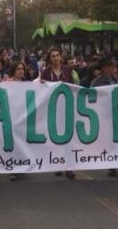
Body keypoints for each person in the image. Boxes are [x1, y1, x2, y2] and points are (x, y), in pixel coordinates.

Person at [40, 48, 76, 180]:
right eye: (53, 56)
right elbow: (41, 91)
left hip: (66, 107)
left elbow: (72, 86)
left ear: (61, 57)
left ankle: (69, 167)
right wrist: (42, 84)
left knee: (68, 138)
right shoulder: (45, 72)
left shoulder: (67, 70)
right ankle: (57, 163)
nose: (55, 58)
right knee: (54, 138)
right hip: (52, 109)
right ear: (49, 59)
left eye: (57, 56)